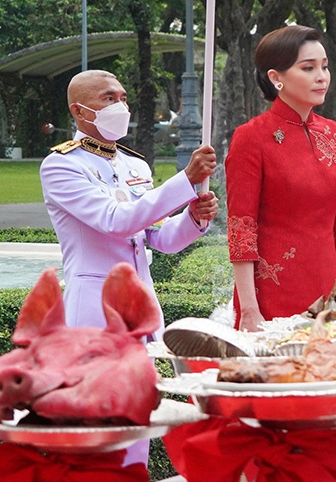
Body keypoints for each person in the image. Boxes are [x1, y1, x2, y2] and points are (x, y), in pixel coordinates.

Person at [41, 69, 219, 333]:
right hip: (95, 306)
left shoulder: (134, 165)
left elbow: (161, 237)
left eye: (123, 99)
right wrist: (185, 180)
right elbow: (116, 221)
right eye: (109, 99)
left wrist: (193, 217)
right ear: (79, 112)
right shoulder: (62, 165)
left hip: (142, 302)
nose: (121, 107)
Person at [225, 25, 336, 331]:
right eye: (308, 68)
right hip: (271, 294)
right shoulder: (251, 138)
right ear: (276, 78)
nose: (321, 76)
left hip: (330, 291)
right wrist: (249, 308)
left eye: (325, 67)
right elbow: (241, 228)